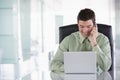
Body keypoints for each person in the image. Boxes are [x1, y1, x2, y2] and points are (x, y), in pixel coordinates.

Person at [50, 8, 111, 79]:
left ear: (95, 26)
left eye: (89, 26)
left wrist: (94, 43)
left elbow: (106, 67)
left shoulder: (103, 40)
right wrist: (71, 68)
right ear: (78, 25)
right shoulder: (68, 40)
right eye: (81, 26)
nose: (85, 30)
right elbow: (54, 65)